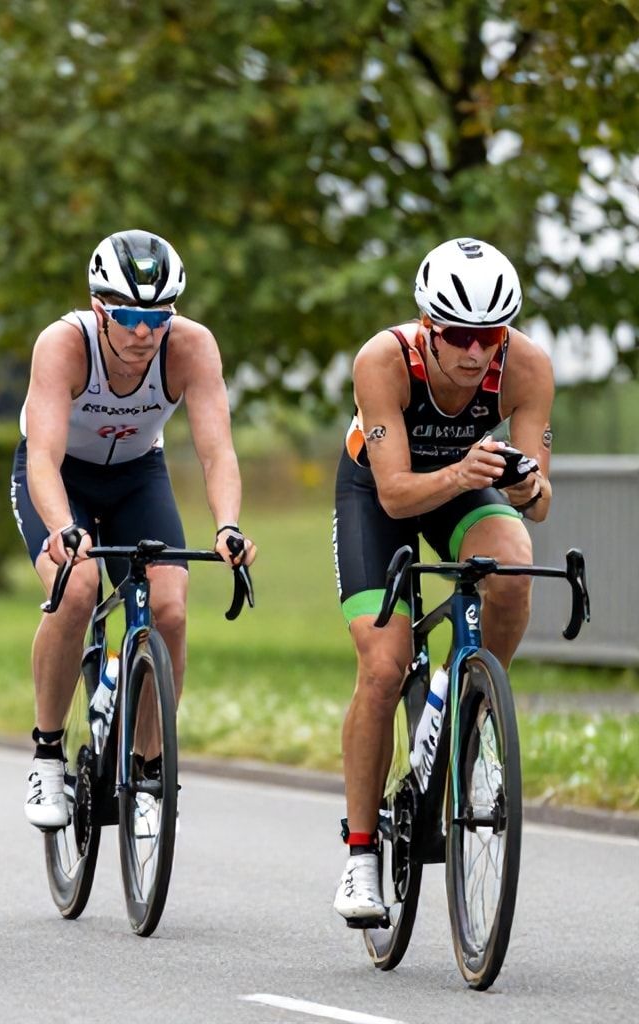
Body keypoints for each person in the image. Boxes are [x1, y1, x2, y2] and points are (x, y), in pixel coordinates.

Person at [330, 237, 551, 924]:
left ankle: (477, 709)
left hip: (466, 484)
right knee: (384, 667)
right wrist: (467, 470)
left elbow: (541, 502)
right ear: (428, 328)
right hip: (379, 491)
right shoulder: (383, 362)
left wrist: (523, 483)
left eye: (490, 336)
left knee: (512, 563)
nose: (475, 353)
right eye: (458, 335)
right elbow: (396, 496)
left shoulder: (529, 366)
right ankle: (361, 855)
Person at [13, 229, 256, 829]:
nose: (144, 333)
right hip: (60, 476)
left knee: (170, 608)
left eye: (157, 317)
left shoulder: (192, 347)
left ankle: (147, 770)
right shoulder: (64, 345)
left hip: (136, 475)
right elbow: (41, 457)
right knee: (76, 589)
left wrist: (228, 525)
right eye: (126, 316)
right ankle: (46, 755)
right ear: (100, 309)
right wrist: (62, 527)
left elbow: (217, 453)